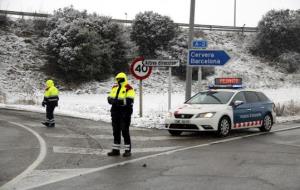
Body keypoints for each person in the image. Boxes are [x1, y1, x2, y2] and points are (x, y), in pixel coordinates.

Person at [107, 72, 135, 157]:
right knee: (116, 131)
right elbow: (109, 98)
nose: (118, 81)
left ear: (124, 79)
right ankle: (116, 150)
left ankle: (127, 150)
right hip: (115, 112)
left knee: (125, 131)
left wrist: (116, 101)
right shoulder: (114, 87)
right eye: (117, 79)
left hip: (125, 113)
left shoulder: (129, 88)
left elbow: (129, 101)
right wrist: (113, 101)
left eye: (120, 79)